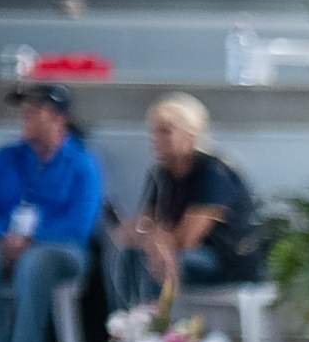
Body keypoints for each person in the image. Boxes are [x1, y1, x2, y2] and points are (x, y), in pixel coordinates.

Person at [0, 83, 106, 342]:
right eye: (25, 110)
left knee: (35, 261)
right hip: (3, 243)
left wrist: (32, 240)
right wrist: (4, 239)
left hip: (62, 251)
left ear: (59, 118)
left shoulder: (83, 164)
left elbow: (79, 225)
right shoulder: (3, 159)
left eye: (37, 110)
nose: (27, 115)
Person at [108, 93, 262, 310]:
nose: (156, 139)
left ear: (190, 135)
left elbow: (188, 238)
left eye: (166, 131)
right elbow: (142, 227)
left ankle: (155, 328)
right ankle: (127, 325)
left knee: (161, 261)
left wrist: (156, 242)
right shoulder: (161, 173)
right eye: (154, 131)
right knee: (128, 256)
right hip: (177, 253)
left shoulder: (214, 172)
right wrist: (152, 240)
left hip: (223, 260)